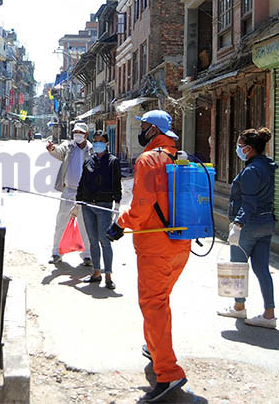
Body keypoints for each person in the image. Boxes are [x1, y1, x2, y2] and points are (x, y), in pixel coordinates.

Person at [106, 110, 189, 402]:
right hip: (180, 243)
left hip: (156, 247)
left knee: (153, 305)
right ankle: (155, 349)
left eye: (143, 127)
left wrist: (119, 223)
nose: (140, 131)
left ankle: (168, 373)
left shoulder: (149, 159)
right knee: (160, 302)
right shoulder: (177, 156)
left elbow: (141, 207)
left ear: (153, 130)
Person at [217, 127, 278, 329]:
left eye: (239, 145)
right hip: (266, 223)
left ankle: (238, 306)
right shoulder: (267, 166)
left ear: (249, 149)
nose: (238, 148)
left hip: (249, 225)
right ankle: (269, 315)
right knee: (262, 269)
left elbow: (248, 202)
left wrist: (238, 225)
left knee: (236, 267)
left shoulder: (251, 170)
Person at [72, 132, 122, 288]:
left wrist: (117, 205)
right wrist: (78, 201)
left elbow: (116, 184)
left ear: (107, 144)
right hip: (87, 205)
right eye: (95, 141)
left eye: (101, 141)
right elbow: (82, 182)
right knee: (92, 241)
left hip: (103, 206)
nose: (98, 144)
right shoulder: (88, 160)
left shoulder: (113, 162)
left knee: (105, 241)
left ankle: (108, 275)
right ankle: (96, 272)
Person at [46, 122, 91, 265]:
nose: (77, 135)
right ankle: (56, 252)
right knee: (62, 221)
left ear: (86, 135)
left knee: (85, 223)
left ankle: (87, 254)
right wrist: (52, 149)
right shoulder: (69, 147)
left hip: (85, 193)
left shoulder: (91, 150)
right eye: (75, 132)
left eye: (80, 133)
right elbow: (58, 152)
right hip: (69, 190)